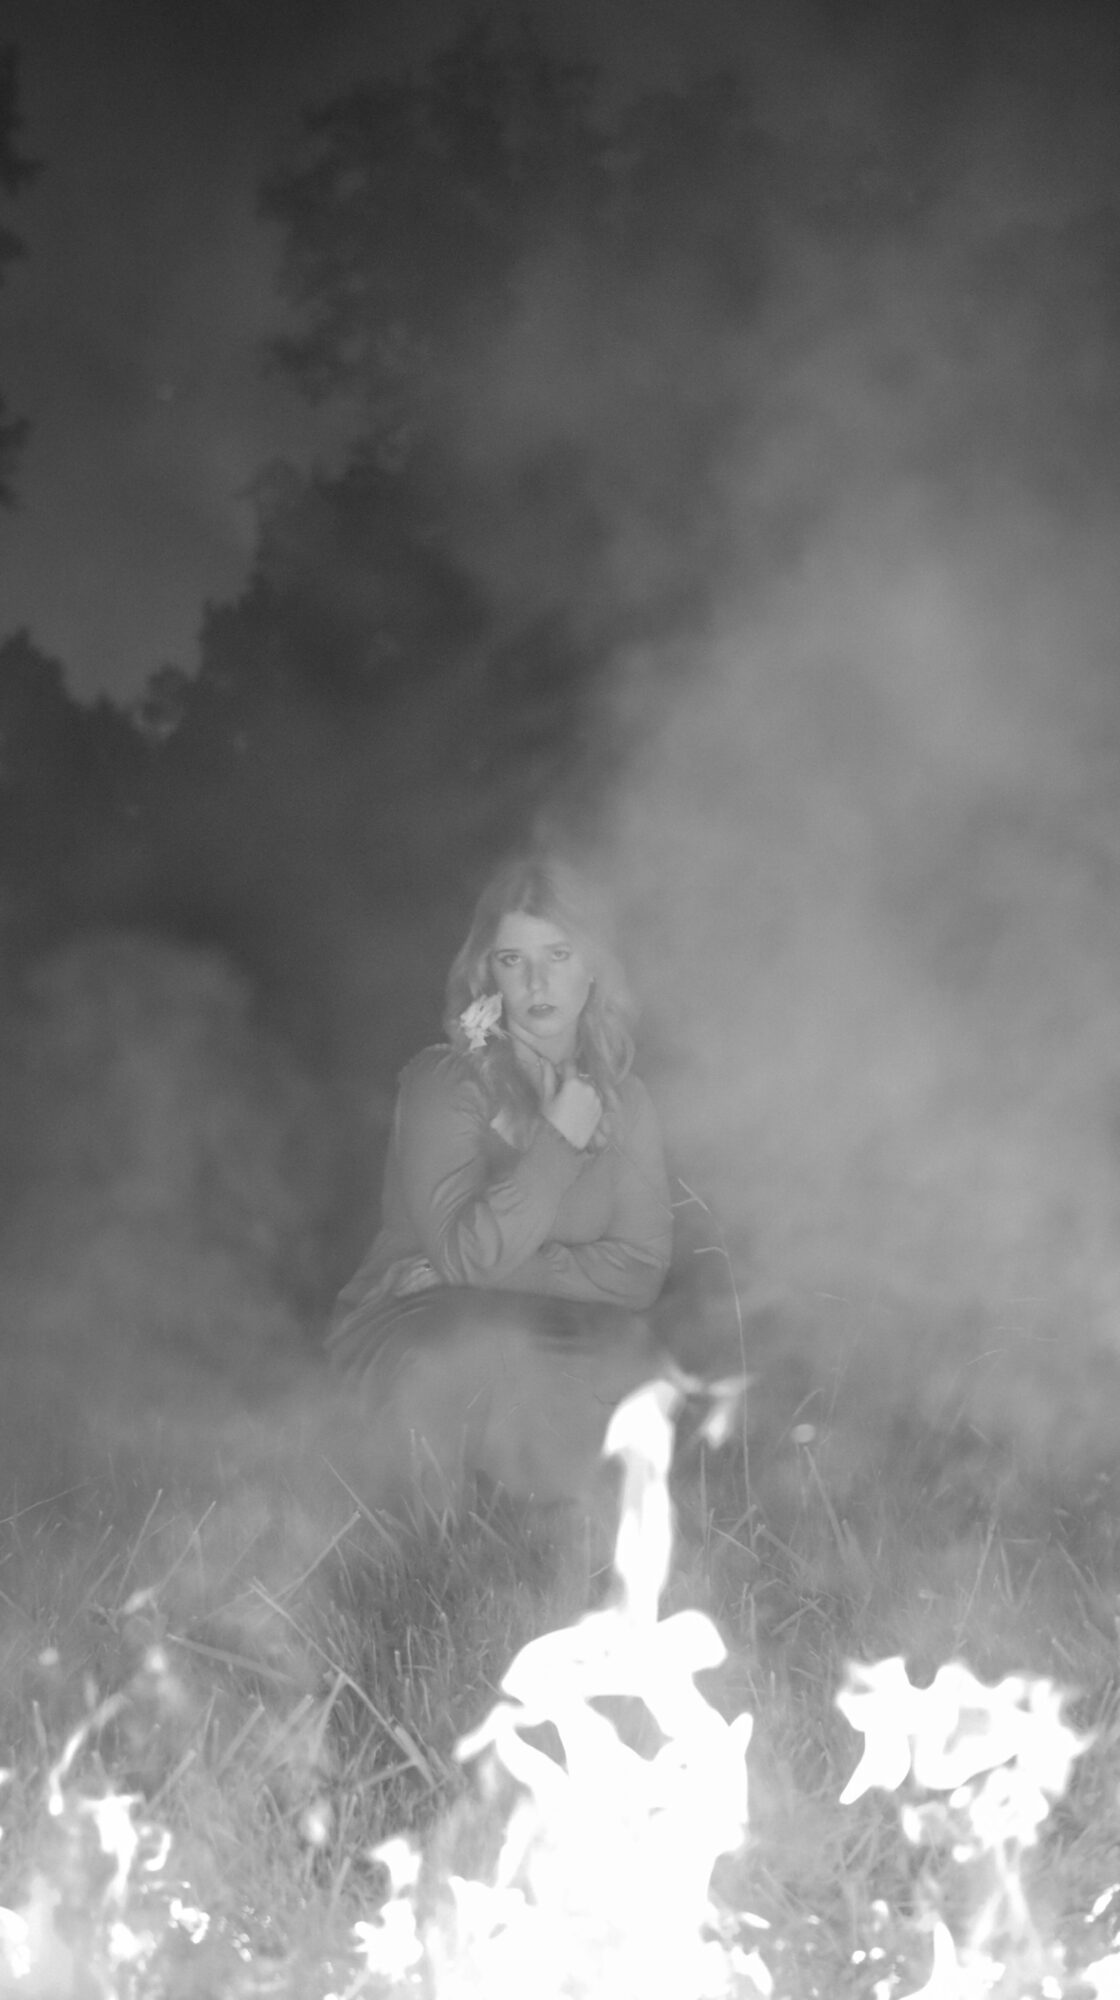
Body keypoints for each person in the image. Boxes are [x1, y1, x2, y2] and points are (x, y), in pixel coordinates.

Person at [324, 856, 675, 1508]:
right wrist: (558, 1141)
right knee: (472, 1343)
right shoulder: (444, 1082)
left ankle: (572, 1542)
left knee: (636, 1354)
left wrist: (496, 1270)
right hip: (414, 1325)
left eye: (558, 954)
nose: (537, 980)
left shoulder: (627, 1102)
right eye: (513, 959)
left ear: (593, 966)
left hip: (549, 1324)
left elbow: (639, 1271)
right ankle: (426, 1544)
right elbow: (468, 1257)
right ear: (489, 974)